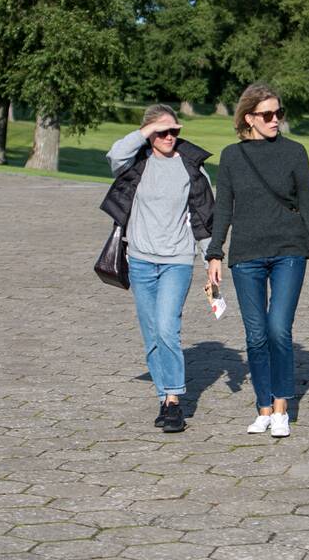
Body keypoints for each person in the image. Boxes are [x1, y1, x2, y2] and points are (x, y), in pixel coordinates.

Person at [206, 84, 309, 439]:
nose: (275, 120)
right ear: (249, 118)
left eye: (279, 113)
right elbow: (223, 208)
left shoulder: (294, 152)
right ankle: (263, 407)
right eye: (267, 115)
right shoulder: (231, 156)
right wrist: (215, 253)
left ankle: (281, 409)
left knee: (278, 329)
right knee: (256, 335)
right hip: (246, 255)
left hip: (289, 251)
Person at [101, 104, 214, 433]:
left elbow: (204, 217)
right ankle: (164, 395)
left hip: (177, 260)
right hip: (140, 260)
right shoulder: (136, 163)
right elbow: (113, 155)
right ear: (148, 134)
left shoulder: (191, 167)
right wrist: (144, 133)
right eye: (160, 132)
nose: (168, 137)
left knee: (167, 328)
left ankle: (175, 401)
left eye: (174, 131)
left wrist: (211, 260)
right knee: (151, 334)